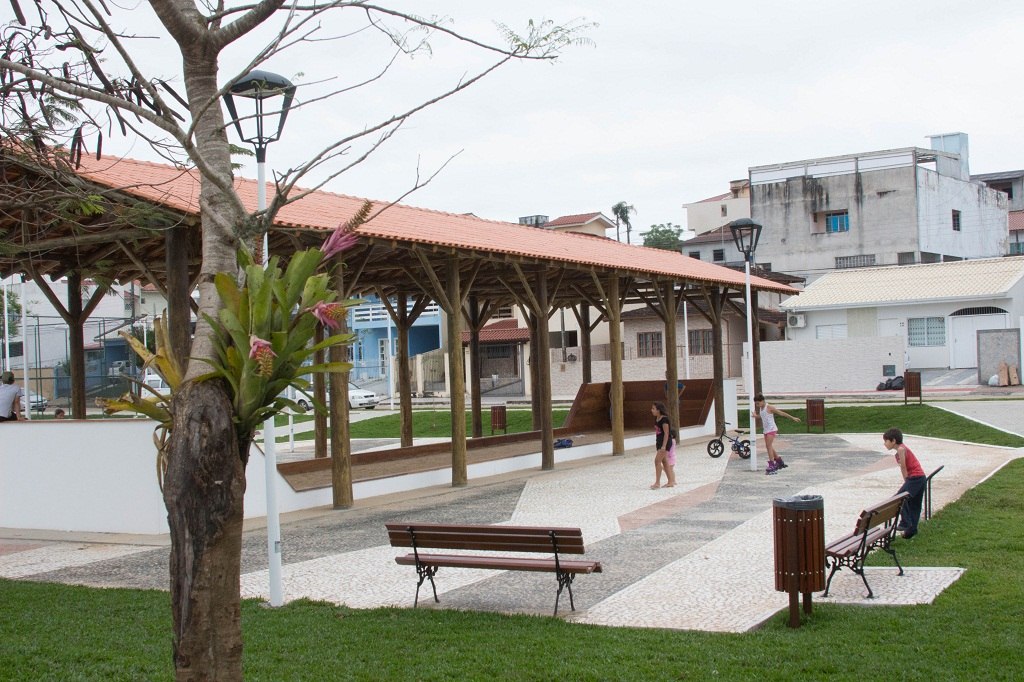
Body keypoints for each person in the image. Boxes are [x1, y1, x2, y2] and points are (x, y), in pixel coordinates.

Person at [883, 427, 927, 539]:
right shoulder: (899, 452)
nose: (884, 444)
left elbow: (903, 467)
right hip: (919, 478)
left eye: (886, 441)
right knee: (914, 504)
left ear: (893, 441)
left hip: (915, 478)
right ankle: (911, 531)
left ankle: (905, 523)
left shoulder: (901, 450)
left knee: (899, 498)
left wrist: (906, 481)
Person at [754, 394, 800, 475]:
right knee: (770, 446)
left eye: (758, 403)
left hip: (771, 429)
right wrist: (756, 416)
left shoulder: (769, 407)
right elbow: (763, 416)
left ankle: (772, 464)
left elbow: (781, 413)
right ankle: (779, 461)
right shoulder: (761, 408)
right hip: (766, 430)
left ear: (762, 401)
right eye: (756, 404)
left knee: (768, 446)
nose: (757, 405)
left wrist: (793, 418)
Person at [650, 401, 676, 489]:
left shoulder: (664, 419)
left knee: (657, 461)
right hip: (659, 442)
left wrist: (664, 446)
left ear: (659, 410)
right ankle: (670, 481)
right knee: (664, 461)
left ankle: (657, 483)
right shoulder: (657, 418)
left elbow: (666, 433)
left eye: (653, 409)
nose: (652, 410)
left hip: (665, 443)